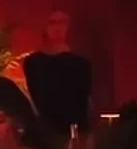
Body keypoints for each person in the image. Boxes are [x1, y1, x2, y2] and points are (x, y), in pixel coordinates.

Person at [23, 9, 92, 138]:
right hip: (46, 132)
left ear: (69, 27)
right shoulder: (33, 62)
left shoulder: (81, 64)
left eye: (62, 22)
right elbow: (35, 99)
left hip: (75, 131)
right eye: (52, 22)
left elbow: (85, 102)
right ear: (45, 27)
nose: (57, 27)